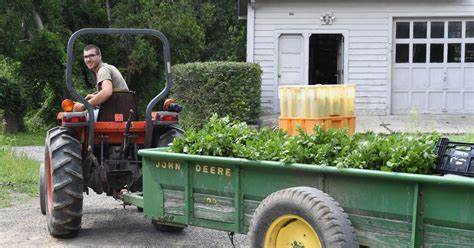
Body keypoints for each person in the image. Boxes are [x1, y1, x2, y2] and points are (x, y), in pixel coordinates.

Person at [73, 44, 129, 112]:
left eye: (92, 55)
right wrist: (95, 97)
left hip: (118, 113)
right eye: (86, 57)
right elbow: (111, 95)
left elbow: (107, 92)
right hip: (121, 109)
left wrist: (84, 106)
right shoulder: (107, 67)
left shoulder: (103, 70)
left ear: (99, 56)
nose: (88, 59)